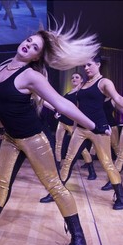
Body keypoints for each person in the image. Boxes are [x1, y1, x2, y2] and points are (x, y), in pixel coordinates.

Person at [0, 20, 108, 245]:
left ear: (36, 57)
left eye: (35, 48)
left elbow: (61, 103)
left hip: (33, 138)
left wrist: (93, 125)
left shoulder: (32, 76)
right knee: (2, 181)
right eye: (29, 41)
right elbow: (2, 104)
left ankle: (78, 236)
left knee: (54, 186)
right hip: (11, 137)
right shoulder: (4, 68)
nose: (28, 46)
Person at [40, 55, 123, 210]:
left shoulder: (103, 82)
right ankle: (55, 193)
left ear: (98, 64)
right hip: (81, 129)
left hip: (99, 129)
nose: (86, 68)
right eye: (84, 66)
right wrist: (75, 126)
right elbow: (78, 108)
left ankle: (121, 197)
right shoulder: (83, 85)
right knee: (68, 160)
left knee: (107, 163)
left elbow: (117, 98)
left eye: (89, 65)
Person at [39, 72, 97, 203]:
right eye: (72, 77)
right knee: (58, 145)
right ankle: (58, 168)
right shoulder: (69, 92)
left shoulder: (81, 93)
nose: (74, 79)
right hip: (62, 122)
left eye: (77, 77)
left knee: (80, 149)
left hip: (73, 123)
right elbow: (62, 107)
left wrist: (77, 124)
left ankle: (91, 170)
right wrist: (58, 113)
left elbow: (78, 110)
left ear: (82, 80)